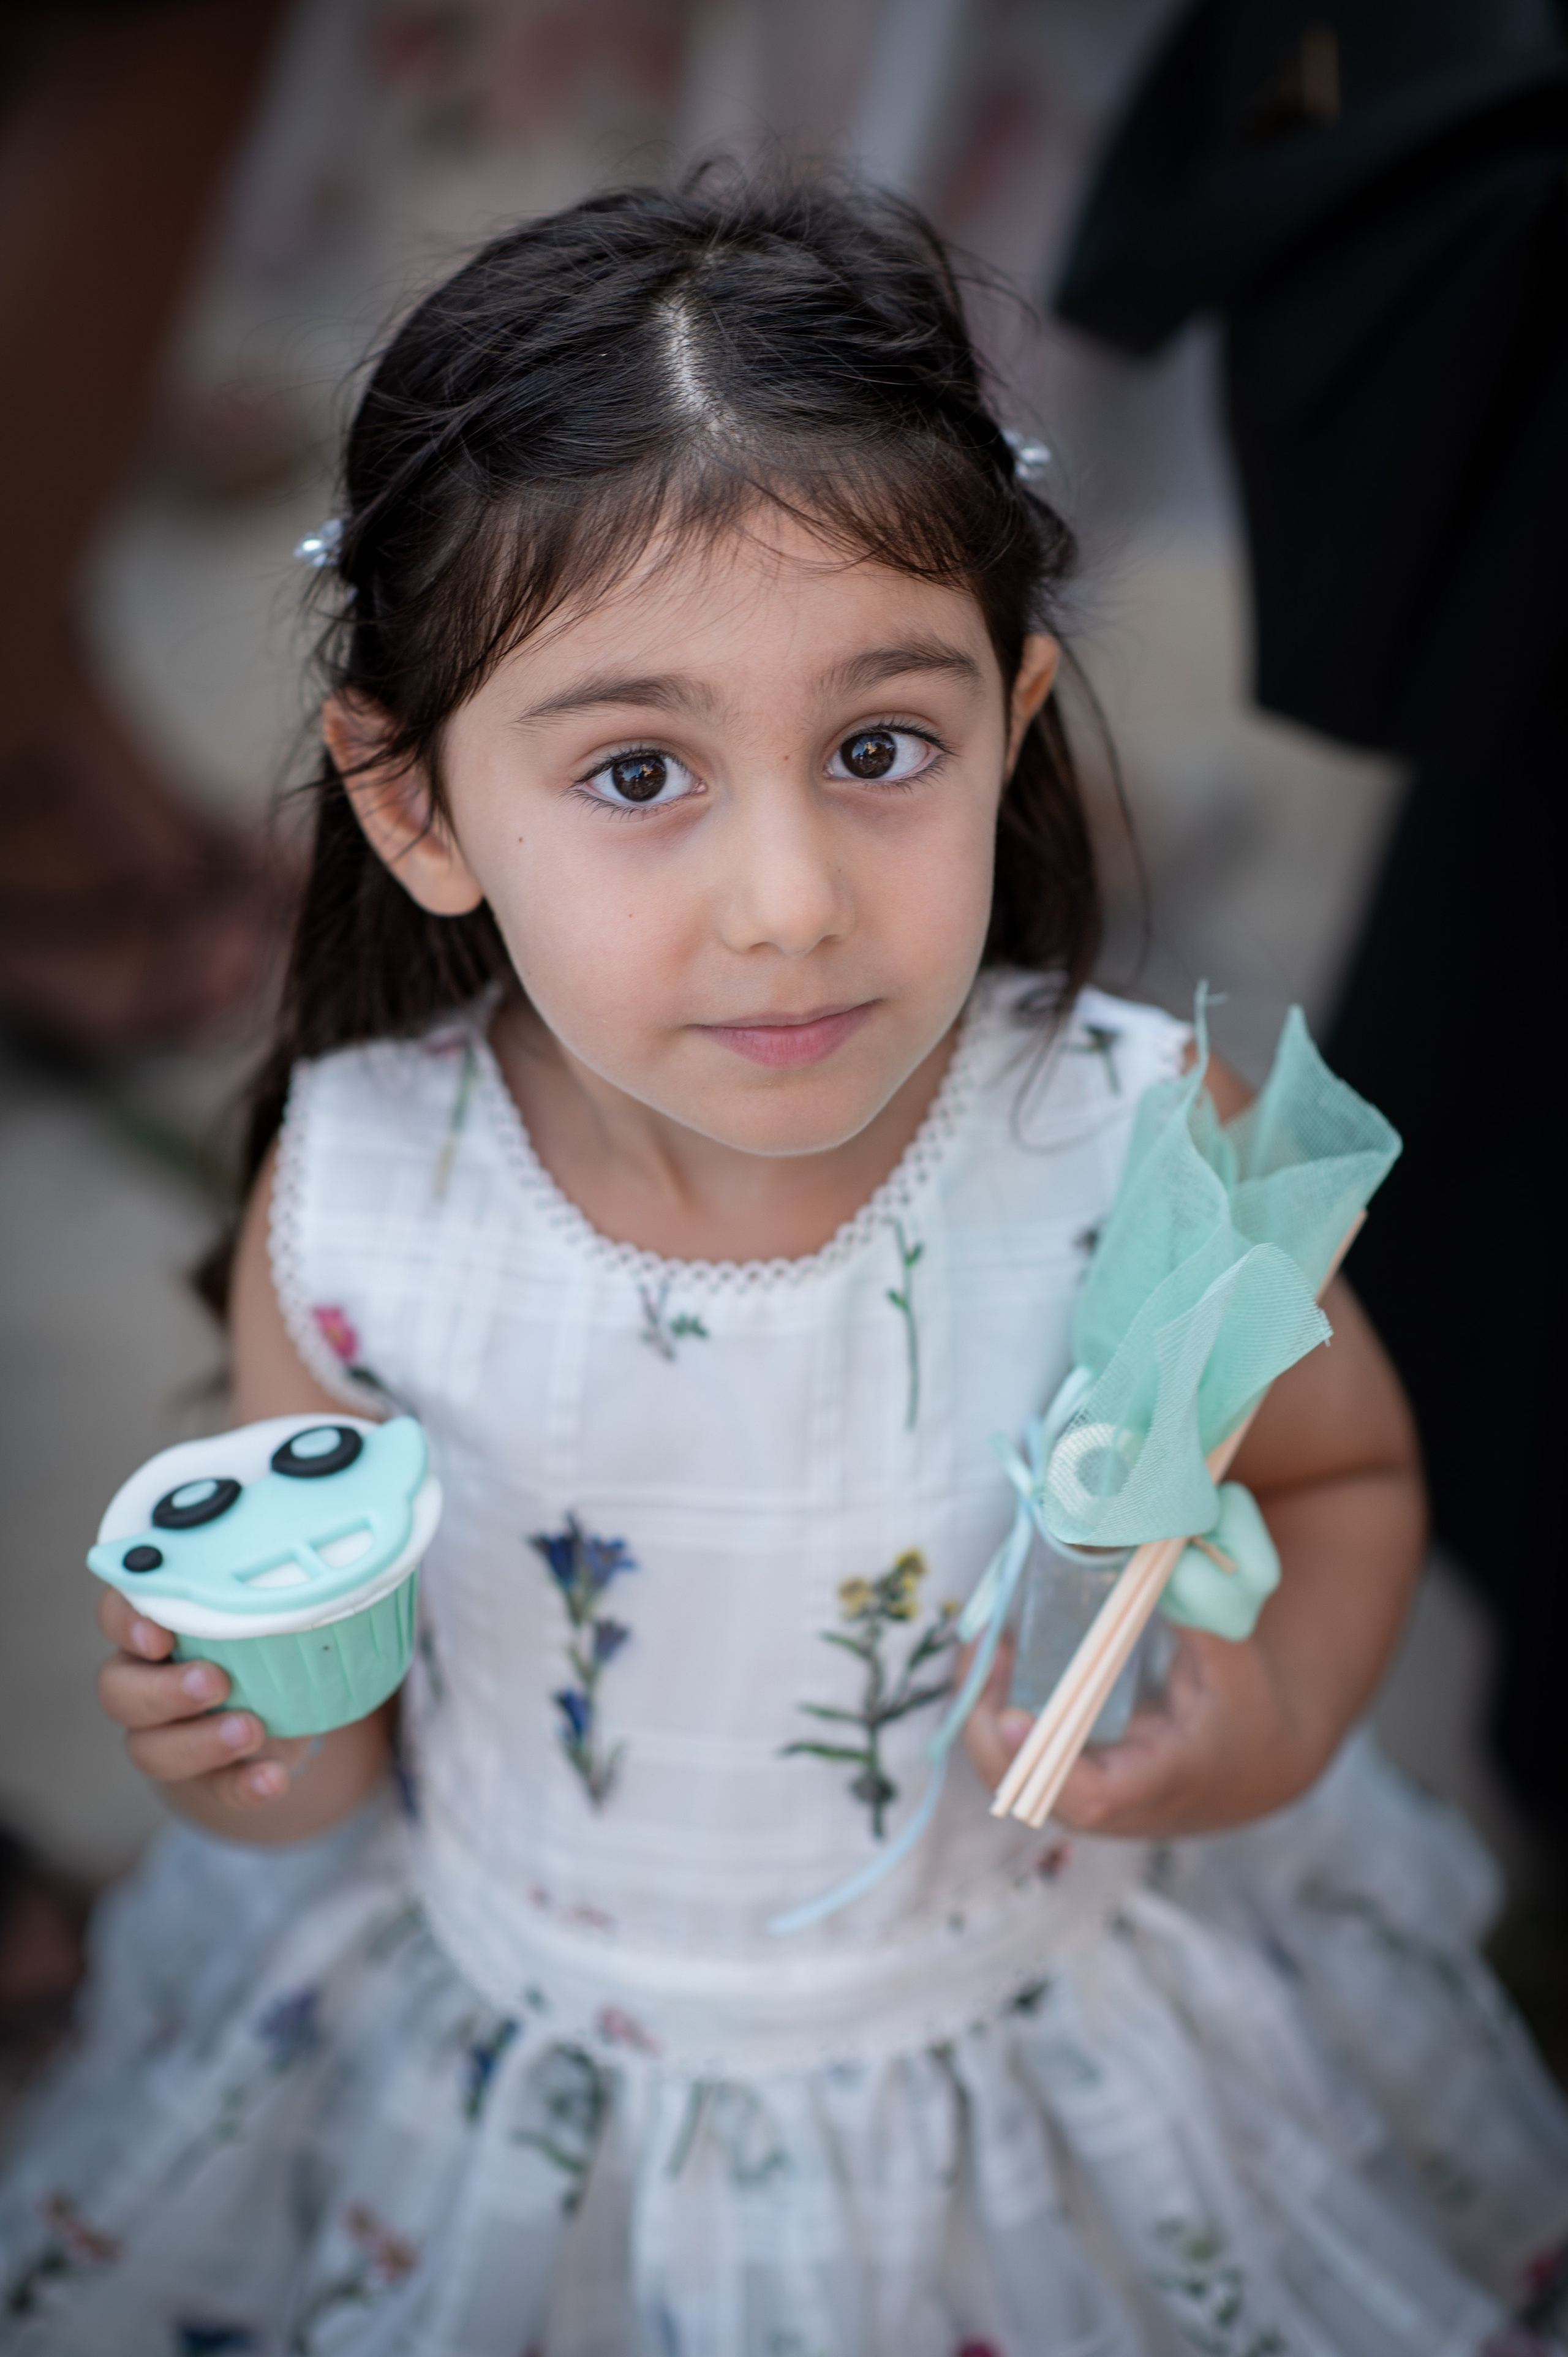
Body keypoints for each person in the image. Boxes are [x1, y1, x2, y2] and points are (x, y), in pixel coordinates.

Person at [2, 172, 1565, 2357]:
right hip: (523, 2072)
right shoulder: (365, 1203)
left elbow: (1340, 1482)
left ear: (1012, 721)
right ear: (417, 802)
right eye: (640, 768)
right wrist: (233, 1736)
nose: (789, 895)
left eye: (880, 748)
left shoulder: (1130, 1147)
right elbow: (333, 1730)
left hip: (1042, 2058)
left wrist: (1267, 1720)